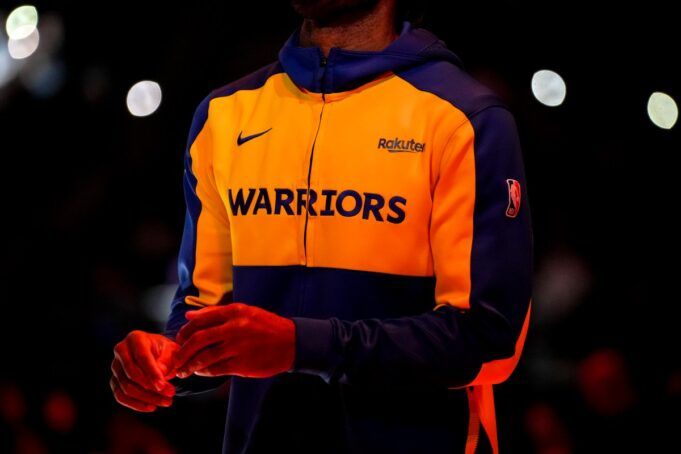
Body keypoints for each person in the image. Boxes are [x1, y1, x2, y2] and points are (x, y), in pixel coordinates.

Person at [110, 0, 534, 452]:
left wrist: (301, 346)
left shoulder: (466, 117)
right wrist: (167, 358)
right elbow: (201, 315)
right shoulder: (224, 114)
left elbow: (489, 340)